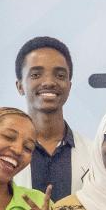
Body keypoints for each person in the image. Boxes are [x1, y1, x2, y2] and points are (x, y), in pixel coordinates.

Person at [11, 36, 94, 201]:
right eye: (36, 74)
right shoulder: (6, 155)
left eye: (60, 75)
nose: (49, 82)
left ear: (69, 86)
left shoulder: (94, 154)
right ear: (20, 86)